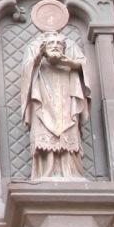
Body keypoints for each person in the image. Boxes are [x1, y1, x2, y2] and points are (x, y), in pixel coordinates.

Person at [20, 31, 90, 179]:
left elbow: (83, 64)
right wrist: (37, 58)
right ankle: (47, 170)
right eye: (51, 43)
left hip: (67, 96)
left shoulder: (71, 46)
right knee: (43, 130)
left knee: (69, 130)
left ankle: (70, 171)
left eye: (58, 43)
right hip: (42, 96)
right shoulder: (34, 47)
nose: (55, 45)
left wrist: (70, 63)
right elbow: (26, 69)